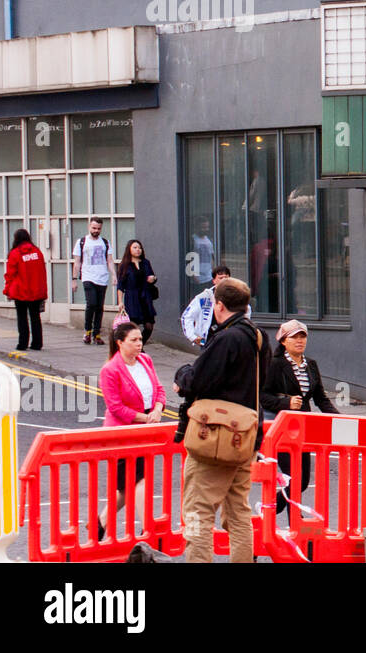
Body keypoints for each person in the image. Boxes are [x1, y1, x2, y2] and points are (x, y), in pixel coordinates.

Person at [174, 277, 264, 564]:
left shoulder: (226, 338)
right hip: (245, 438)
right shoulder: (258, 337)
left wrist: (181, 376)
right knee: (238, 512)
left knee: (198, 511)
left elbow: (198, 380)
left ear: (220, 306)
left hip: (213, 438)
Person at [262, 319, 338, 525]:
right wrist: (286, 402)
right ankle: (295, 520)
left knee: (302, 480)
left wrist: (338, 419)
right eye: (294, 337)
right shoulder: (275, 364)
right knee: (292, 477)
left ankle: (268, 509)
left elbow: (320, 398)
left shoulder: (310, 365)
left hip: (304, 428)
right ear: (283, 341)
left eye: (302, 336)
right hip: (282, 428)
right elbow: (262, 396)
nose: (299, 340)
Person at [96, 322, 166, 542]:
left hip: (145, 431)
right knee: (139, 480)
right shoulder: (110, 369)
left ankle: (99, 525)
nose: (139, 344)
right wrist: (147, 418)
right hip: (122, 434)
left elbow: (160, 390)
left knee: (127, 487)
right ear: (120, 343)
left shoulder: (146, 360)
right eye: (134, 340)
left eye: (140, 340)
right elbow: (115, 407)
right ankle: (148, 534)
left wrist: (157, 409)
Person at [72, 217, 116, 346]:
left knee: (99, 306)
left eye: (98, 229)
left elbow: (109, 260)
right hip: (88, 277)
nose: (96, 231)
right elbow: (77, 262)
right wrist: (74, 280)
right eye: (94, 228)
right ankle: (87, 331)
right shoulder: (81, 242)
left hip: (102, 277)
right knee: (91, 304)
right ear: (89, 227)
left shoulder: (105, 243)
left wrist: (114, 275)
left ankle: (96, 334)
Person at [181, 265, 251, 346]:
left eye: (226, 278)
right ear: (214, 280)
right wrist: (192, 337)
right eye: (221, 278)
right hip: (209, 340)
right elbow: (187, 316)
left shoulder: (236, 296)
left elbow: (246, 312)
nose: (224, 281)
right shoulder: (204, 297)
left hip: (230, 339)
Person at [3, 228, 47, 351]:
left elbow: (10, 275)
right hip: (36, 291)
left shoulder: (15, 253)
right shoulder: (37, 252)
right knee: (35, 317)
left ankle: (22, 344)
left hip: (20, 291)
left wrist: (7, 291)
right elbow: (42, 272)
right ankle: (37, 344)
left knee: (22, 318)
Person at [117, 239, 158, 345]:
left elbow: (152, 276)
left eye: (139, 247)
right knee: (133, 326)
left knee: (149, 325)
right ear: (129, 249)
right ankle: (136, 348)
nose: (138, 250)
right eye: (135, 247)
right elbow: (120, 285)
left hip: (145, 297)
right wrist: (120, 302)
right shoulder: (124, 265)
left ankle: (140, 344)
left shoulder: (146, 263)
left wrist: (153, 278)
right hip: (132, 297)